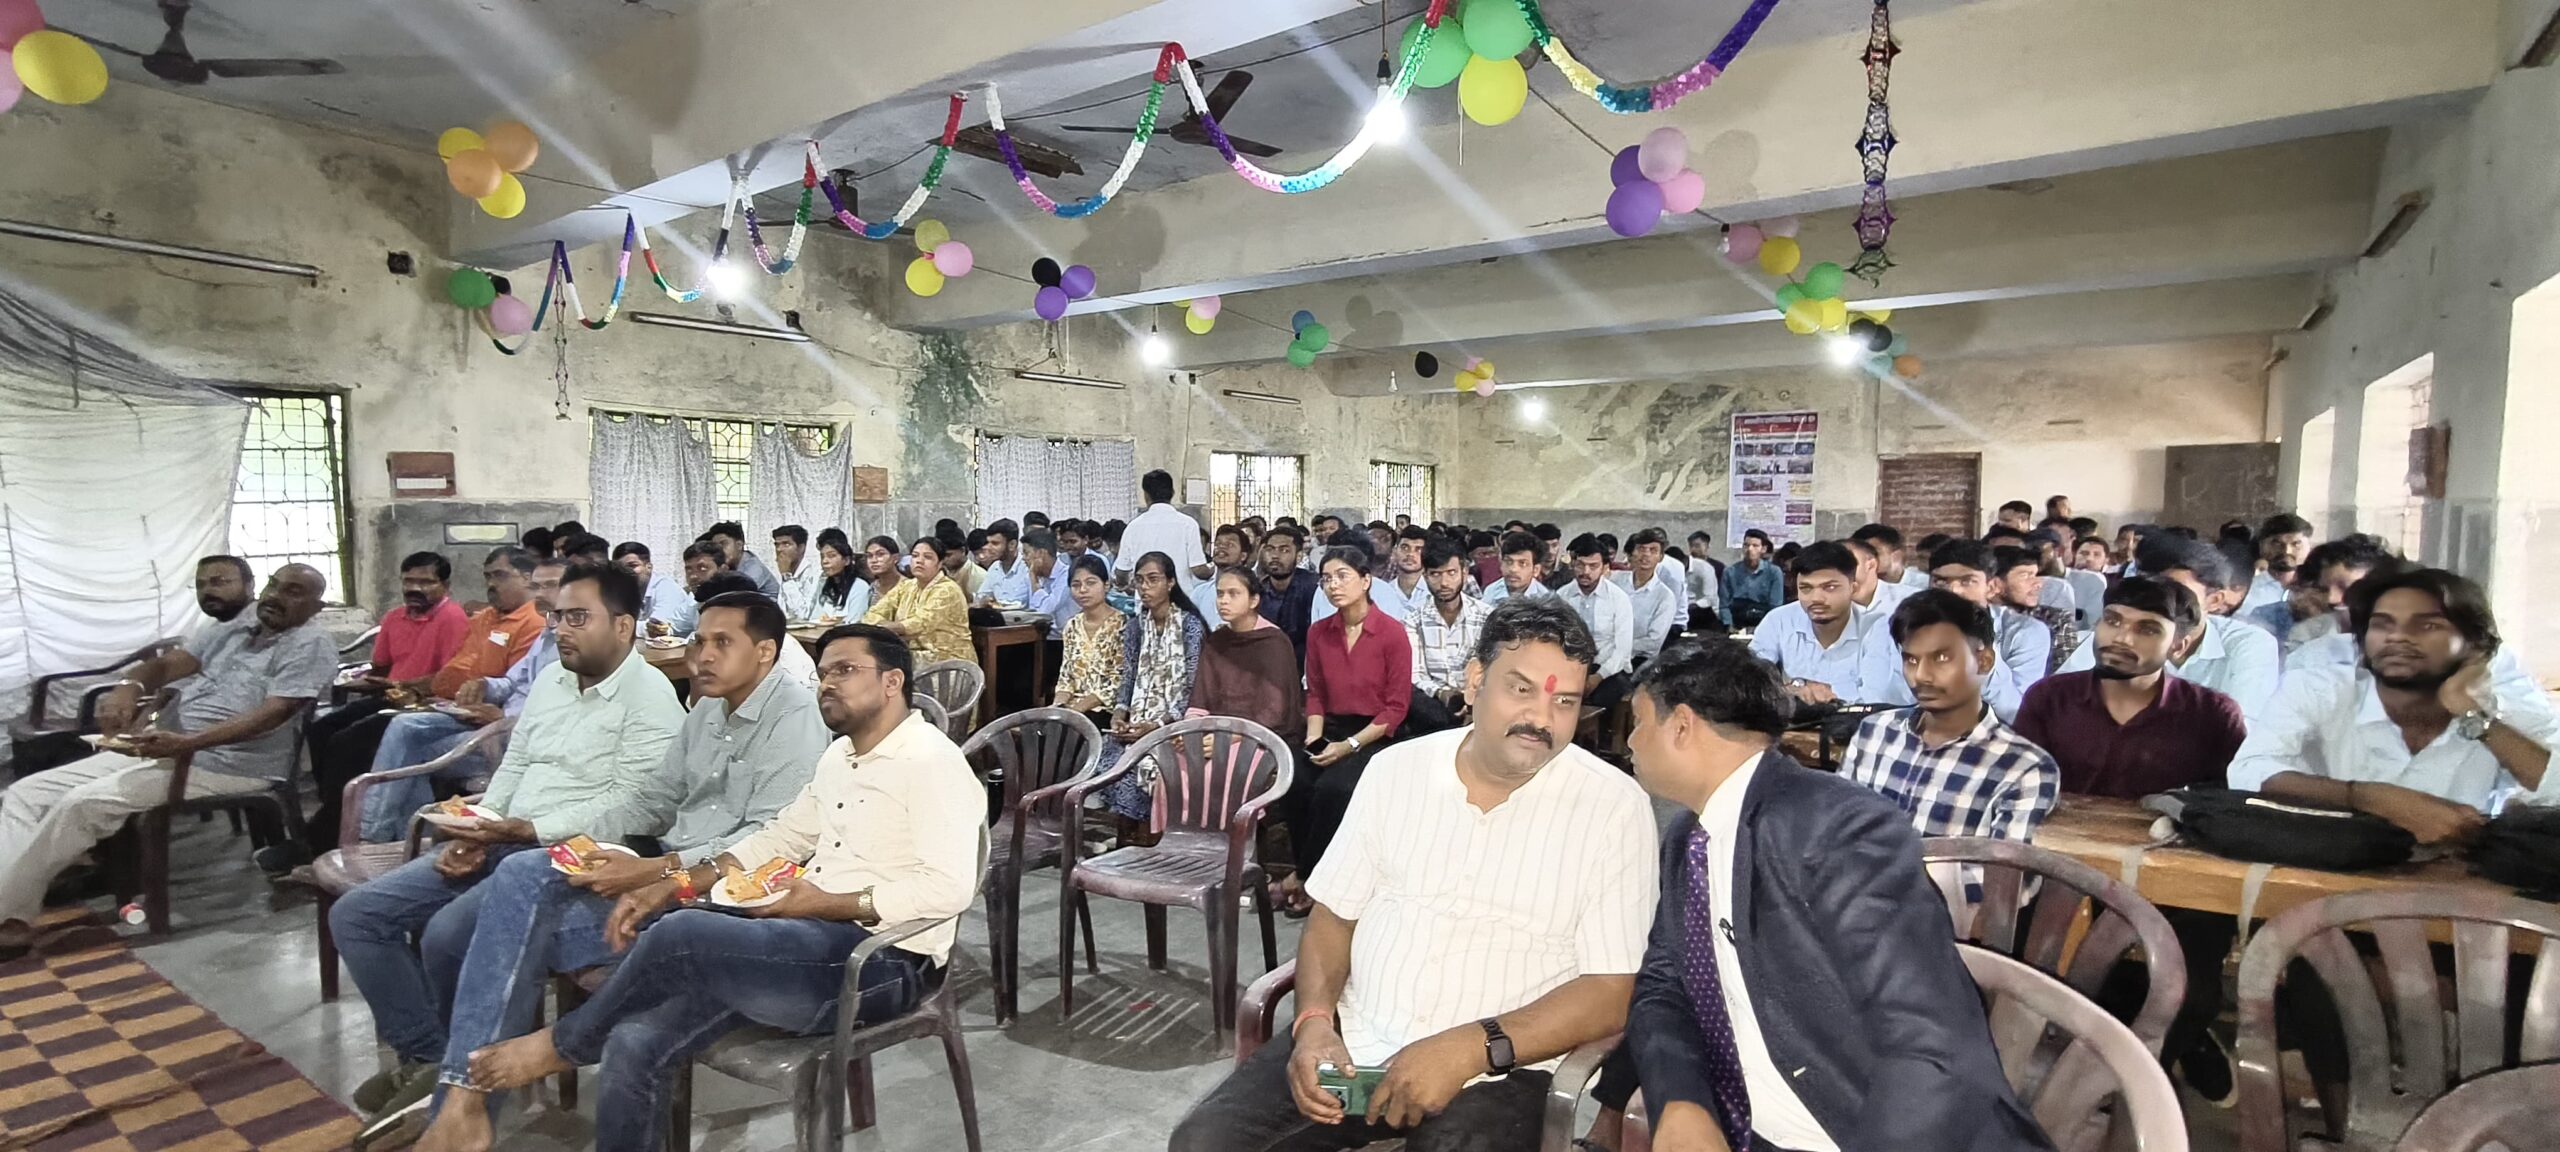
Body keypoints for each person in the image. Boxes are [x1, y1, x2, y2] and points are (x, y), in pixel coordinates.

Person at [462, 624, 982, 1152]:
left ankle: (561, 1046)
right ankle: (590, 1048)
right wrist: (674, 883)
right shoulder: (840, 757)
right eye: (824, 672)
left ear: (892, 682)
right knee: (633, 1040)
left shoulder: (931, 763)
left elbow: (950, 888)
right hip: (809, 937)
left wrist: (827, 903)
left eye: (845, 671)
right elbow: (779, 838)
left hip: (884, 964)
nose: (827, 683)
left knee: (683, 933)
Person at [1169, 599, 1657, 1152]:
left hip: (1499, 1070)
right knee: (1203, 1143)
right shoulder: (1394, 772)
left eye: (1564, 700)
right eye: (1521, 689)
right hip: (1357, 1043)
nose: (1541, 719)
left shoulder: (1613, 809)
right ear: (1475, 680)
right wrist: (1313, 1023)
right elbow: (1334, 917)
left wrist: (1471, 1048)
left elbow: (1612, 988)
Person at [387, 591, 829, 1150]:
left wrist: (653, 871)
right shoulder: (708, 709)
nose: (703, 656)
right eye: (699, 641)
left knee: (510, 935)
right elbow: (653, 800)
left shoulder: (794, 721)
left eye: (723, 643)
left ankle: (463, 1100)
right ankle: (462, 1099)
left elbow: (768, 847)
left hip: (718, 903)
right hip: (660, 870)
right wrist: (582, 841)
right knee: (525, 875)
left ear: (765, 652)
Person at [1594, 637, 2054, 1152]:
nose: (1630, 742)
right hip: (1754, 1128)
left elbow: (1932, 1046)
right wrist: (1682, 1103)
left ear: (1681, 725)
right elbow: (1664, 985)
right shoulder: (1689, 838)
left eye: (1639, 722)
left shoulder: (1835, 828)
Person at [329, 561, 686, 1140]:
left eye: (578, 618)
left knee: (447, 934)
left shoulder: (652, 700)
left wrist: (527, 830)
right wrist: (479, 828)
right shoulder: (552, 682)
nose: (560, 629)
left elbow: (638, 811)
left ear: (623, 626)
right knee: (357, 915)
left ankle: (469, 1100)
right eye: (556, 617)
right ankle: (432, 1058)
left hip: (568, 858)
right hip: (505, 839)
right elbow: (516, 766)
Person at [0, 563, 336, 957]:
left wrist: (189, 742)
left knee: (81, 804)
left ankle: (11, 917)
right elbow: (166, 665)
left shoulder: (310, 643)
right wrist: (128, 687)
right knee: (27, 792)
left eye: (293, 591)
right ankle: (11, 894)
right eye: (273, 585)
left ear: (316, 606)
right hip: (168, 748)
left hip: (229, 764)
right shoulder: (236, 629)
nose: (275, 596)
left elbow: (275, 713)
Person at [2010, 576, 2248, 1105]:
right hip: (2061, 870)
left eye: (2147, 629)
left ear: (2180, 644)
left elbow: (2221, 815)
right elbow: (2022, 787)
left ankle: (2153, 1071)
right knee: (2042, 968)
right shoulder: (2050, 699)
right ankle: (2082, 1087)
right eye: (2113, 621)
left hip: (2170, 880)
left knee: (2187, 988)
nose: (2121, 637)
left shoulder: (2213, 715)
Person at [272, 548, 548, 874]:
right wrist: (483, 685)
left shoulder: (531, 623)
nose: (490, 584)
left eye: (499, 575)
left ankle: (365, 840)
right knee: (331, 732)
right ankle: (400, 845)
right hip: (445, 703)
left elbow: (528, 698)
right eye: (487, 576)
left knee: (376, 741)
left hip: (485, 723)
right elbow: (499, 678)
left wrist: (492, 707)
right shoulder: (489, 619)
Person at [2230, 567, 2560, 837]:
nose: (2398, 636)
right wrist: (2367, 797)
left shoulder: (2497, 703)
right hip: (2328, 868)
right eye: (2382, 624)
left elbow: (2555, 788)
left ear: (2475, 645)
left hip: (2454, 878)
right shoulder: (2319, 689)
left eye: (2427, 625)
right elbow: (2249, 771)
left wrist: (2474, 716)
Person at [353, 558, 570, 845]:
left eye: (551, 585)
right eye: (537, 586)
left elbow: (560, 711)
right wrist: (484, 685)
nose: (540, 594)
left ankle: (381, 838)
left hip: (515, 736)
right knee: (405, 727)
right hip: (493, 718)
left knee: (408, 748)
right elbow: (511, 682)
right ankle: (406, 840)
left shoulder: (573, 640)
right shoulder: (547, 631)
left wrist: (504, 719)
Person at [1837, 590, 2060, 849]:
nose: (1921, 676)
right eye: (1911, 660)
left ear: (1984, 662)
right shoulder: (1874, 732)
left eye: (1941, 658)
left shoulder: (2022, 767)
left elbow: (2003, 870)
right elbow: (1834, 830)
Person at [2055, 538, 2282, 720]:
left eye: (2176, 591)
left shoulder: (2251, 645)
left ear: (2214, 601)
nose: (2156, 601)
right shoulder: (2118, 633)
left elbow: (2241, 728)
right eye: (2148, 589)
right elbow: (2061, 702)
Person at [1190, 567, 1308, 909]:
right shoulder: (1217, 640)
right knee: (1183, 762)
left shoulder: (1273, 642)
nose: (1224, 601)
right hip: (1219, 731)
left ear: (1254, 600)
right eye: (1220, 594)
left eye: (1233, 594)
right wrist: (1193, 733)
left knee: (1233, 769)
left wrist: (1228, 739)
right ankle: (1200, 862)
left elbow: (1273, 711)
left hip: (1265, 737)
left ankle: (1243, 869)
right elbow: (1200, 698)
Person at [1298, 546, 1414, 875]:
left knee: (1334, 789)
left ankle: (1310, 876)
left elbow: (1396, 707)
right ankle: (1303, 866)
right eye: (1326, 579)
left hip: (1376, 734)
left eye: (1342, 576)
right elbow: (1315, 694)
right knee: (1296, 781)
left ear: (1365, 581)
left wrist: (1349, 746)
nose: (1333, 585)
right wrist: (1314, 739)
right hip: (1331, 727)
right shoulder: (1319, 632)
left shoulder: (1391, 633)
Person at [1857, 539, 2045, 721]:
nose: (1953, 592)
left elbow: (2017, 714)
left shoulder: (2025, 632)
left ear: (1991, 587)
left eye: (1967, 582)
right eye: (1941, 582)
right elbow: (1882, 699)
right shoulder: (1898, 626)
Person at [1096, 552, 1207, 825]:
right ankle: (1123, 834)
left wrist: (1157, 725)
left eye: (1153, 580)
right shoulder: (1136, 625)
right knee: (1105, 758)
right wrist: (1119, 714)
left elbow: (1192, 687)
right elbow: (1129, 675)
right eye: (1140, 580)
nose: (1144, 587)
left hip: (1175, 725)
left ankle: (1143, 836)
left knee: (1138, 768)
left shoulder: (1189, 626)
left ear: (1170, 583)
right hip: (1138, 721)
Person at [1749, 541, 1875, 706]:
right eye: (1806, 588)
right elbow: (1749, 680)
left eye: (1829, 587)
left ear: (1853, 589)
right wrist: (1789, 690)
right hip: (1797, 720)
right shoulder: (1778, 621)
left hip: (1859, 720)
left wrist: (1828, 692)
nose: (1816, 599)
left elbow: (1880, 695)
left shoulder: (1876, 628)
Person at [1404, 537, 1494, 737]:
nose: (1444, 583)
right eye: (1435, 574)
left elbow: (1490, 668)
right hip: (1431, 709)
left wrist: (1470, 700)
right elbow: (1416, 675)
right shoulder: (1413, 620)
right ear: (1425, 576)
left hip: (1479, 704)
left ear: (1465, 572)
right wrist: (1441, 693)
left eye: (1451, 573)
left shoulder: (1486, 616)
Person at [2246, 534, 2393, 654]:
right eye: (2322, 589)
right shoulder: (2272, 619)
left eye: (2348, 590)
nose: (2331, 599)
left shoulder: (2390, 633)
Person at [350, 551, 470, 698]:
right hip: (391, 696)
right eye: (408, 581)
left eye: (425, 582)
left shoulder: (453, 618)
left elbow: (451, 677)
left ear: (445, 586)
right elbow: (381, 667)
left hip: (427, 700)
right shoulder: (393, 617)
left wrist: (400, 686)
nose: (414, 588)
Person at [1556, 534, 1638, 710]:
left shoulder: (1618, 599)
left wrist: (1597, 677)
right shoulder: (1562, 596)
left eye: (1593, 566)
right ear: (1573, 564)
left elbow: (1622, 651)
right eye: (1580, 565)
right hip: (1571, 666)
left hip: (1608, 669)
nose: (1586, 572)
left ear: (1604, 567)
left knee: (1602, 698)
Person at [860, 536, 972, 665]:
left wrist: (883, 628)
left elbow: (920, 623)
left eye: (927, 557)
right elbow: (873, 613)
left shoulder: (947, 589)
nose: (919, 561)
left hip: (948, 657)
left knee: (879, 660)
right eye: (915, 556)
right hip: (914, 653)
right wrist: (881, 625)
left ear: (940, 563)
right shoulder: (907, 586)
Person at [1050, 555, 1127, 730]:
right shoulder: (1072, 626)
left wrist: (1074, 712)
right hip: (1071, 708)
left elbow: (1116, 683)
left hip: (1104, 710)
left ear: (1106, 585)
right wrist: (1057, 707)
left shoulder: (1123, 625)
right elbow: (1066, 677)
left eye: (1090, 583)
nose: (1083, 590)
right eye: (1076, 585)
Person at [1991, 544, 2078, 678]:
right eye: (2025, 576)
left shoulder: (2055, 620)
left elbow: (2061, 678)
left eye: (2036, 575)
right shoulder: (1974, 617)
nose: (2038, 584)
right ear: (1995, 583)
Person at [1120, 469, 1212, 580]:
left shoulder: (1133, 527)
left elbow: (1122, 571)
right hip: (1180, 591)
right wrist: (1215, 569)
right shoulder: (1188, 524)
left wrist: (1121, 582)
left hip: (1145, 590)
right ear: (1172, 493)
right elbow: (1199, 570)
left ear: (1146, 496)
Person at [1614, 528, 1684, 659]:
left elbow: (1653, 642)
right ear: (1632, 553)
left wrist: (1616, 646)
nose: (1646, 554)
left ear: (1661, 557)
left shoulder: (1665, 597)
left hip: (1638, 659)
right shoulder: (1615, 581)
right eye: (1641, 549)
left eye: (1653, 550)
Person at [1256, 525, 1320, 660]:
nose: (1275, 556)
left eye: (1284, 550)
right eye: (1270, 549)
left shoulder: (1314, 588)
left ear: (1299, 556)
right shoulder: (1257, 590)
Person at [614, 542, 698, 638]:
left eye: (632, 566)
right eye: (620, 569)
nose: (626, 572)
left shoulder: (666, 587)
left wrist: (619, 626)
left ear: (649, 567)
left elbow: (657, 628)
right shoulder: (624, 591)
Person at [2241, 513, 2315, 615]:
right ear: (2262, 546)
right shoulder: (2246, 591)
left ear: (2310, 547)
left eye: (2296, 544)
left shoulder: (2319, 590)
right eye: (2277, 544)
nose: (2287, 551)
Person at [1719, 530, 1784, 628]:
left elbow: (1776, 606)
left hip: (1763, 621)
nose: (1750, 549)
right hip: (1737, 621)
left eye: (1755, 546)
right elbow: (1724, 605)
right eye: (1746, 545)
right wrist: (1729, 625)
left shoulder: (1774, 572)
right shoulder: (1730, 572)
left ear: (1763, 549)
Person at [703, 521, 781, 598]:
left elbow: (732, 597)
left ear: (739, 545)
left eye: (723, 544)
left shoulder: (754, 568)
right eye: (715, 546)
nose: (719, 550)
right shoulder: (729, 565)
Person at [1020, 526, 1075, 631]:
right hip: (1039, 634)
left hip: (1062, 637)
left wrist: (1034, 580)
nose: (1023, 558)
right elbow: (1032, 611)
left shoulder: (1067, 575)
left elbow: (1045, 612)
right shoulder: (1035, 575)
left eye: (1026, 553)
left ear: (1041, 553)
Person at [807, 529, 869, 621]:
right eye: (822, 557)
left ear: (847, 560)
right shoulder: (824, 584)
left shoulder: (860, 586)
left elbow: (855, 622)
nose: (825, 561)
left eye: (831, 556)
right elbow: (814, 618)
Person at [188, 553, 257, 634]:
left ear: (249, 585)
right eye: (200, 584)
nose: (206, 590)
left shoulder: (263, 626)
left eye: (218, 582)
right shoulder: (206, 630)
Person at [1480, 529, 1552, 607]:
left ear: (1536, 570)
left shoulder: (1545, 601)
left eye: (1522, 563)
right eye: (1508, 562)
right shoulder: (1491, 591)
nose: (1513, 569)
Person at [769, 525, 824, 621]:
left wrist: (786, 577)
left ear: (801, 548)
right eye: (777, 545)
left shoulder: (815, 575)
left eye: (786, 544)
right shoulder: (783, 571)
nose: (779, 549)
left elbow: (803, 615)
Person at [1851, 523, 1924, 594]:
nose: (1867, 561)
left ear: (1897, 555)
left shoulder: (1924, 585)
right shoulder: (1854, 589)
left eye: (1874, 553)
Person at [977, 518, 1031, 607]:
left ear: (1012, 544)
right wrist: (985, 601)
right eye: (988, 543)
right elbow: (982, 596)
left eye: (995, 543)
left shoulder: (1027, 568)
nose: (988, 548)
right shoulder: (994, 568)